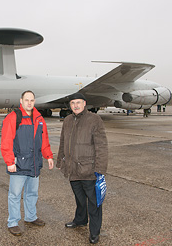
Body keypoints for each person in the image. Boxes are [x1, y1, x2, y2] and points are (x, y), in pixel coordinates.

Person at [56, 93, 108, 244]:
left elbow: (101, 145)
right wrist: (60, 161)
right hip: (72, 169)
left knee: (94, 203)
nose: (76, 105)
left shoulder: (94, 119)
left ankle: (94, 231)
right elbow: (62, 142)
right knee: (79, 199)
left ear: (84, 103)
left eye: (78, 102)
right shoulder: (67, 120)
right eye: (73, 103)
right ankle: (80, 220)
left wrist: (100, 168)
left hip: (89, 170)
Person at [1, 90, 54, 236]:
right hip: (19, 164)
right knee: (15, 194)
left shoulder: (39, 119)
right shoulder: (13, 118)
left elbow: (44, 140)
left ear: (34, 101)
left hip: (35, 163)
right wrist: (9, 161)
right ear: (21, 101)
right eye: (26, 100)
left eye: (31, 100)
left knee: (32, 193)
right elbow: (6, 142)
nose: (29, 103)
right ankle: (13, 222)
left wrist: (48, 156)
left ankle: (31, 217)